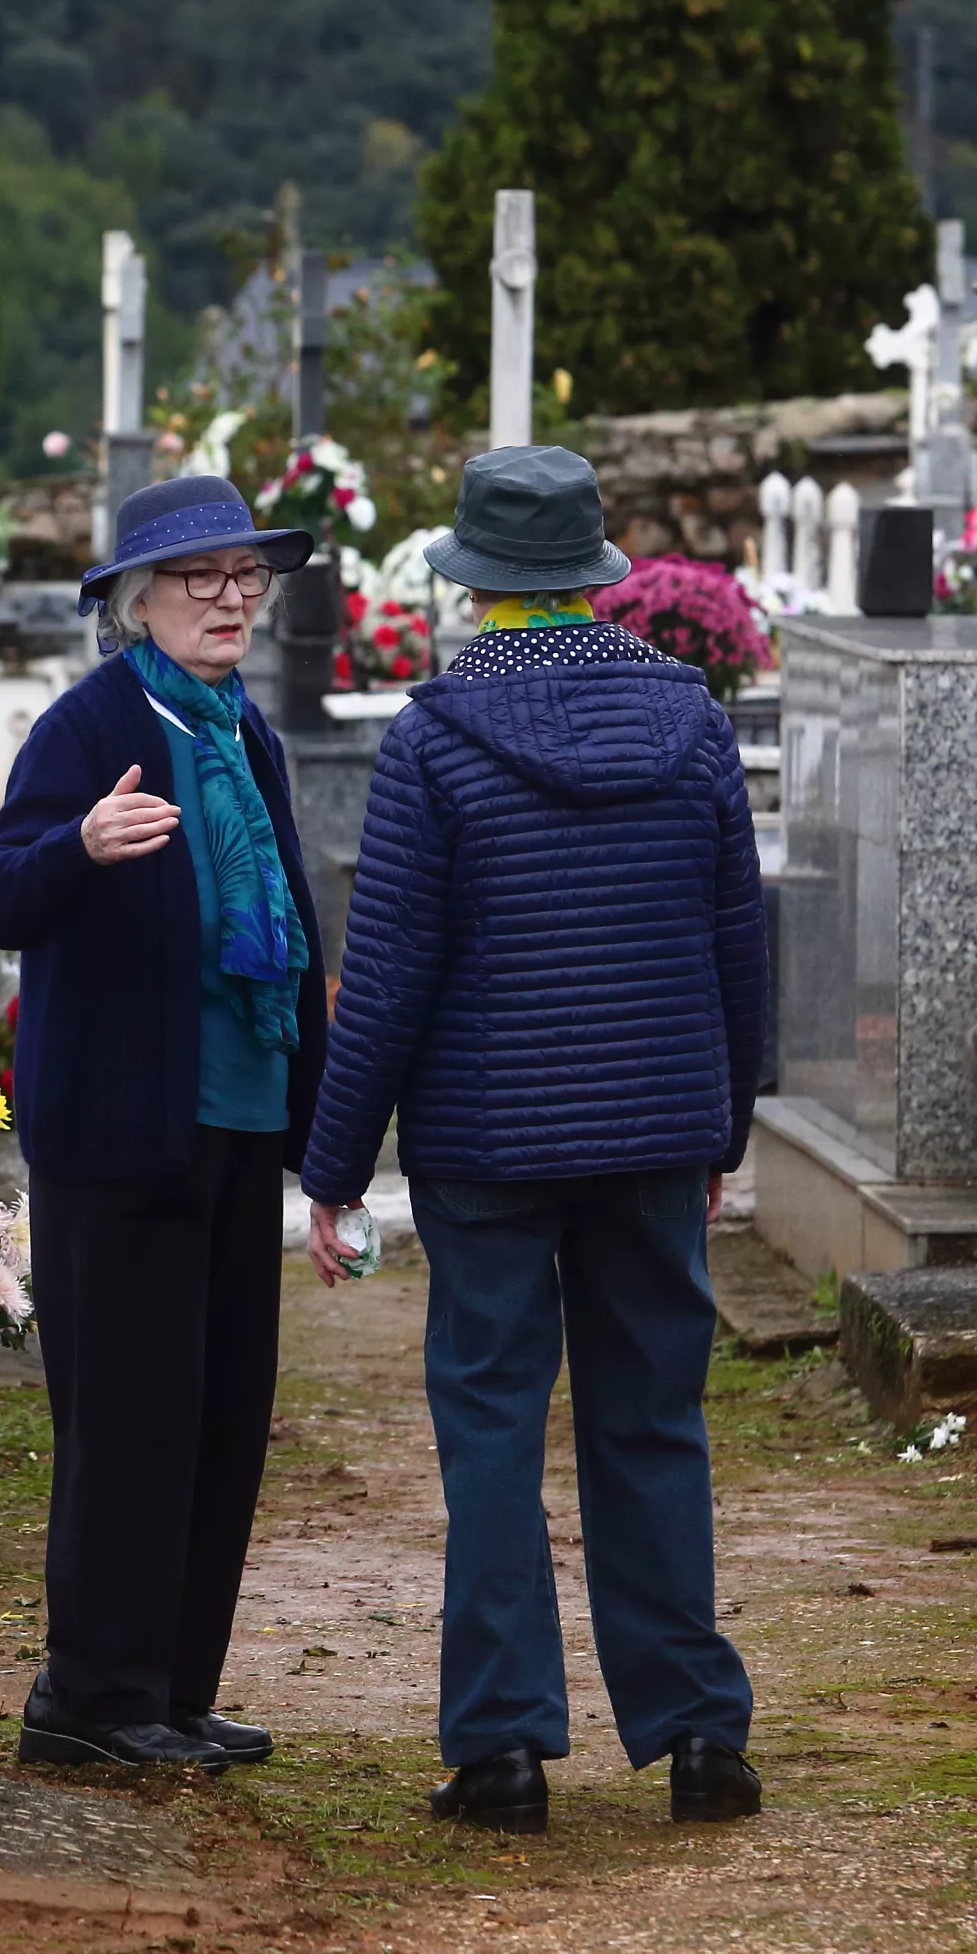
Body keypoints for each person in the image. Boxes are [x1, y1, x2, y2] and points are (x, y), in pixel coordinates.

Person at [297, 442, 766, 1833]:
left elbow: (385, 977)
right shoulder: (690, 726)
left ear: (474, 585)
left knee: (493, 1429)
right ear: (595, 579)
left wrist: (333, 1171)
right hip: (651, 1136)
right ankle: (698, 1737)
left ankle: (501, 1747)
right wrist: (721, 1126)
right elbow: (740, 944)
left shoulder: (436, 742)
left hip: (488, 1146)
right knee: (654, 1419)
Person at [0, 475, 332, 1772]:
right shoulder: (90, 725)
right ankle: (90, 1700)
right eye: (199, 577)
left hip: (234, 1123)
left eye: (246, 577)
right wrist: (83, 849)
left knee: (221, 1414)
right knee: (126, 1423)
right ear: (137, 601)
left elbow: (290, 922)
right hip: (120, 1138)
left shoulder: (244, 731)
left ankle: (170, 1687)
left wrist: (315, 1125)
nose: (230, 598)